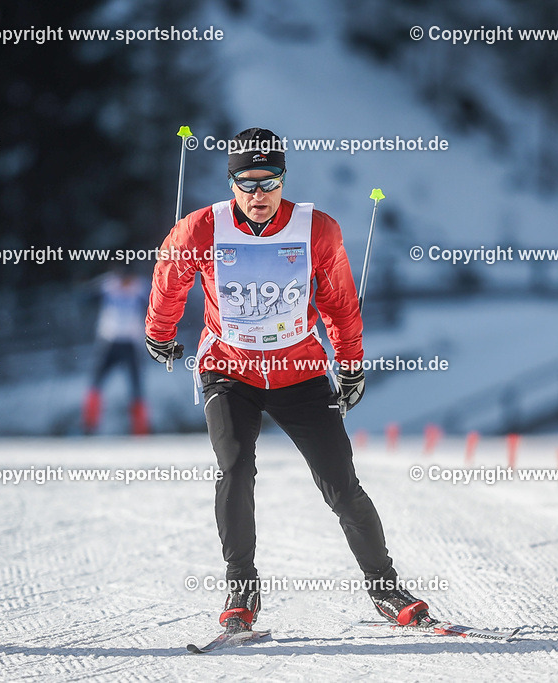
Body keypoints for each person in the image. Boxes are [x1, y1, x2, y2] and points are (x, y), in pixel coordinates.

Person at [144, 127, 431, 632]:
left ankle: (386, 588)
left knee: (341, 486)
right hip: (228, 369)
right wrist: (160, 333)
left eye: (269, 181)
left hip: (298, 371)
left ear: (284, 179)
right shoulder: (199, 228)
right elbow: (170, 278)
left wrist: (350, 364)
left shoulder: (317, 229)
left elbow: (340, 303)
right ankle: (241, 588)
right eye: (247, 183)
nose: (259, 196)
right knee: (235, 466)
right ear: (231, 181)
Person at [82, 268, 151, 435]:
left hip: (130, 344)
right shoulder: (108, 285)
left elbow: (157, 299)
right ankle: (89, 425)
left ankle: (141, 429)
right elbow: (84, 297)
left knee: (136, 388)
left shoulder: (140, 287)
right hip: (109, 342)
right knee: (95, 383)